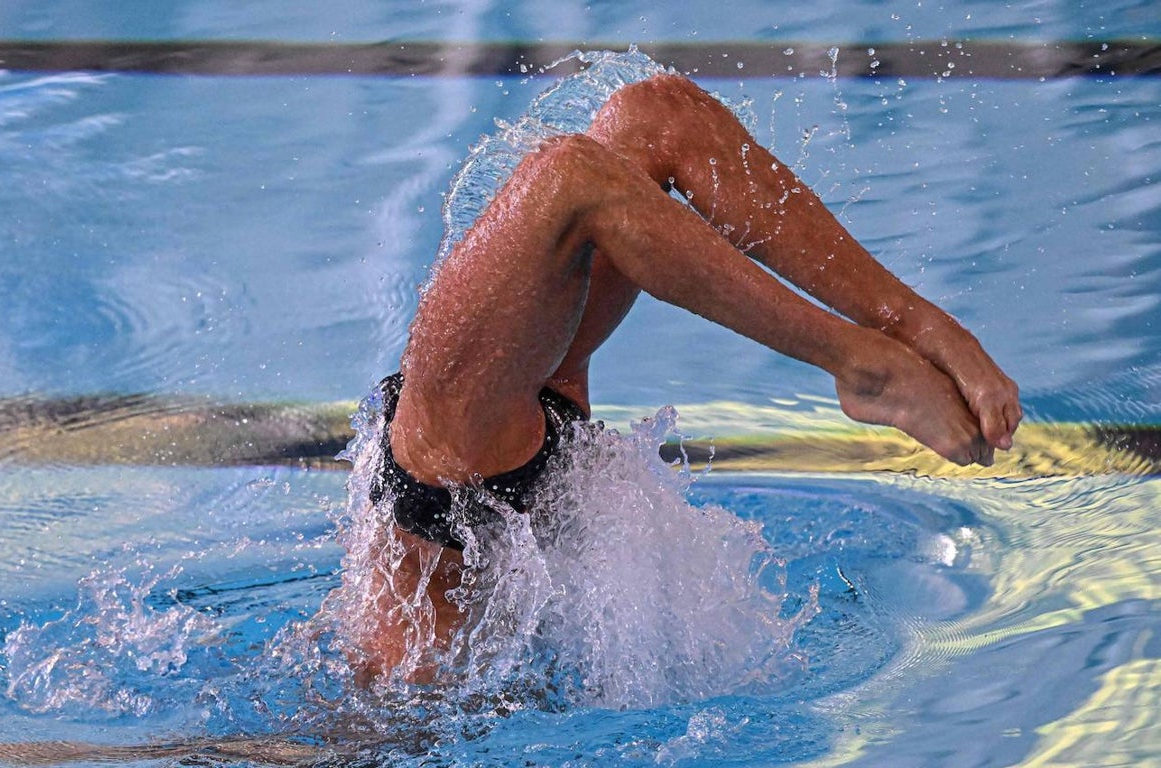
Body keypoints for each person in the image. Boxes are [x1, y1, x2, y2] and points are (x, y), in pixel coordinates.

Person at [352, 73, 1021, 681]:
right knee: (569, 180)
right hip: (445, 523)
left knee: (655, 114)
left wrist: (917, 327)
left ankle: (914, 328)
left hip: (487, 473)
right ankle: (862, 366)